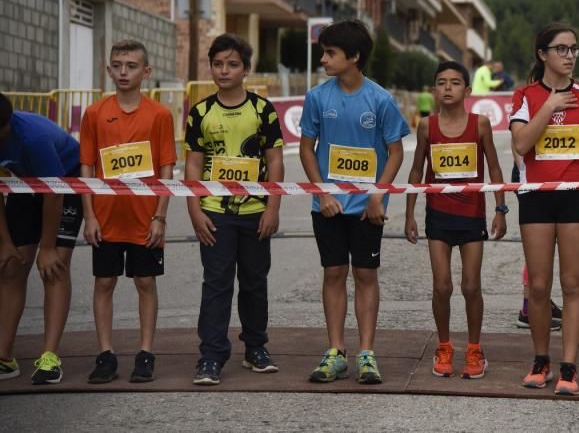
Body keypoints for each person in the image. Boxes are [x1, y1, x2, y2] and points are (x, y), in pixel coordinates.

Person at [300, 20, 410, 385]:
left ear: (355, 56)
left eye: (330, 53)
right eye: (324, 52)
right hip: (328, 206)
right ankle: (335, 352)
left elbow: (395, 152)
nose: (323, 59)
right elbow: (306, 149)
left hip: (367, 208)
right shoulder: (317, 97)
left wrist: (379, 193)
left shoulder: (380, 99)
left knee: (365, 274)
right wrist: (323, 193)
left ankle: (366, 353)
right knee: (333, 273)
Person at [510, 23, 579, 396]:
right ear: (542, 54)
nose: (569, 56)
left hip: (575, 195)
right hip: (535, 194)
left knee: (572, 284)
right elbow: (521, 144)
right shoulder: (525, 95)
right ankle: (541, 360)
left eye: (574, 49)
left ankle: (569, 366)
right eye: (561, 49)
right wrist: (549, 106)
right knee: (538, 286)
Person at [184, 34, 285, 386]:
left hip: (255, 213)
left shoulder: (262, 110)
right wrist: (195, 211)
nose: (223, 70)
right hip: (214, 213)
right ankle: (211, 355)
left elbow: (275, 162)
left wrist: (272, 208)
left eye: (232, 64)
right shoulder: (200, 112)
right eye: (217, 64)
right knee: (216, 285)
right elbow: (193, 166)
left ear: (246, 68)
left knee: (254, 283)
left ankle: (256, 349)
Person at [80, 40, 176, 383]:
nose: (123, 72)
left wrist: (160, 216)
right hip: (106, 218)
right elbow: (87, 167)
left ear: (145, 71)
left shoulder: (160, 115)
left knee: (145, 282)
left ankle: (145, 353)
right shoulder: (94, 113)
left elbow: (167, 168)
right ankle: (105, 354)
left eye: (131, 66)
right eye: (117, 65)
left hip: (145, 218)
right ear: (108, 69)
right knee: (103, 282)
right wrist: (89, 216)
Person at [404, 61, 508, 379]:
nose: (447, 87)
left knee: (471, 286)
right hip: (438, 216)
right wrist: (409, 213)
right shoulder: (427, 126)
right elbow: (416, 170)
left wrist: (500, 210)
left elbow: (494, 168)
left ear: (468, 89)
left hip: (472, 217)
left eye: (455, 82)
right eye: (441, 82)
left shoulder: (480, 124)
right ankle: (445, 345)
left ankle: (474, 349)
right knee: (441, 286)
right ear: (434, 89)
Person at [0, 92, 82, 385]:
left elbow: (55, 192)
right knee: (11, 267)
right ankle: (4, 358)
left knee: (53, 267)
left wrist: (47, 248)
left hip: (65, 182)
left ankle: (50, 358)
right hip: (23, 184)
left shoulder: (33, 138)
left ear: (5, 129)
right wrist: (5, 242)